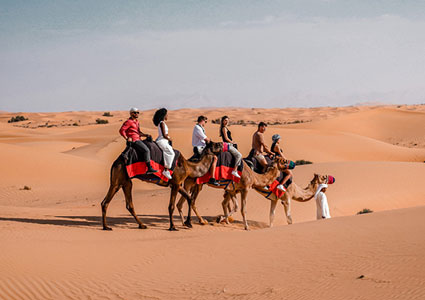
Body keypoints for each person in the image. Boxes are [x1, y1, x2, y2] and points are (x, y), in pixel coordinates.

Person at [119, 107, 158, 174]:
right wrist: (127, 138)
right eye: (135, 112)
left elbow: (138, 132)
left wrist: (146, 135)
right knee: (146, 150)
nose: (137, 114)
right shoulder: (129, 122)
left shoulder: (136, 122)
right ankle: (149, 168)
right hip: (134, 140)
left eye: (137, 112)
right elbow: (121, 130)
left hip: (138, 139)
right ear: (131, 113)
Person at [192, 115, 219, 186]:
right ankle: (212, 178)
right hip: (199, 148)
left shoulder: (200, 128)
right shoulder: (197, 128)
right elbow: (205, 138)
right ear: (202, 120)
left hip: (202, 147)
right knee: (214, 158)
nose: (205, 123)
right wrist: (210, 140)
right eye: (205, 121)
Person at [153, 108, 175, 180]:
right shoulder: (162, 123)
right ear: (164, 115)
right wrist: (169, 138)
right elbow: (164, 135)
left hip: (163, 140)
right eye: (167, 114)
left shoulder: (162, 123)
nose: (167, 116)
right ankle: (166, 170)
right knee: (171, 153)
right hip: (162, 140)